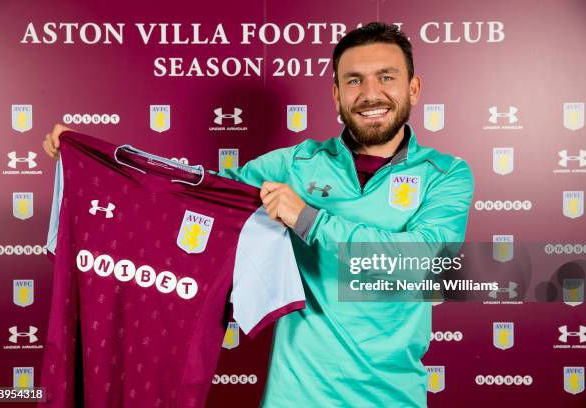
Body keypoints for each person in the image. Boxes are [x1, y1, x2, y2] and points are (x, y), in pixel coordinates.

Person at [43, 22, 474, 408]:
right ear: (337, 95)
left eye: (387, 77)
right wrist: (94, 158)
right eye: (354, 81)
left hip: (394, 398)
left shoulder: (447, 175)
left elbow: (426, 263)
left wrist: (310, 219)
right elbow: (197, 189)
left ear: (413, 89)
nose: (370, 94)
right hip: (296, 398)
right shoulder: (295, 165)